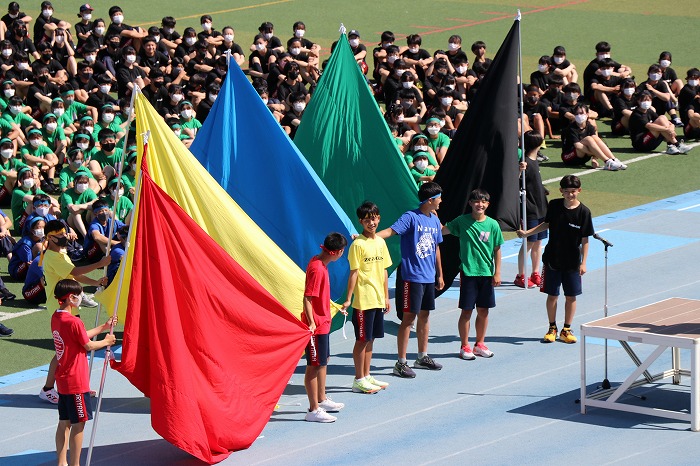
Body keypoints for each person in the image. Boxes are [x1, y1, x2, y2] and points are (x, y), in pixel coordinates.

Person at [39, 219, 110, 404]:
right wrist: (100, 263)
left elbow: (74, 275)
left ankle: (77, 386)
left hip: (69, 306)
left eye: (64, 233)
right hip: (60, 308)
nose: (64, 237)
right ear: (50, 238)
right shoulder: (53, 257)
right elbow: (76, 270)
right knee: (64, 351)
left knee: (73, 348)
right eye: (60, 235)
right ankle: (48, 389)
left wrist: (95, 282)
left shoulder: (61, 253)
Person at [516, 175, 594, 344]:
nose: (570, 195)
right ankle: (552, 328)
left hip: (572, 262)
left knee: (571, 296)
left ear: (579, 191)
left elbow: (585, 239)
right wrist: (528, 233)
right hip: (552, 260)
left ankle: (566, 329)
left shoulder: (584, 212)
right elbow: (547, 223)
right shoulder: (555, 205)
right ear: (561, 191)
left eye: (573, 192)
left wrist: (584, 262)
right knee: (552, 295)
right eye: (566, 192)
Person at [377, 182, 444, 378]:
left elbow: (436, 247)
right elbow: (390, 231)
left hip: (428, 277)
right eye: (439, 197)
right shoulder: (410, 217)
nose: (441, 201)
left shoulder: (434, 219)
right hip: (411, 277)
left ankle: (422, 356)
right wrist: (370, 237)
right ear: (430, 200)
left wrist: (440, 274)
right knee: (408, 320)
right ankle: (401, 362)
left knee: (425, 316)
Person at [51, 278, 116, 466]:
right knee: (79, 424)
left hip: (63, 379)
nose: (81, 298)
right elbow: (87, 344)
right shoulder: (74, 321)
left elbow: (79, 336)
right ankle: (75, 464)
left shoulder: (57, 317)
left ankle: (61, 462)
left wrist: (104, 326)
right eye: (79, 295)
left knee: (64, 422)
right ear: (71, 298)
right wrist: (106, 341)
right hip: (76, 381)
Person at [442, 189, 503, 360]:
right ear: (470, 203)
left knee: (483, 311)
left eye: (483, 202)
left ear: (488, 204)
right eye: (476, 201)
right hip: (468, 273)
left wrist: (497, 272)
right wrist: (431, 217)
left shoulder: (493, 225)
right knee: (467, 311)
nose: (480, 204)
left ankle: (480, 344)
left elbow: (497, 249)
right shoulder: (462, 221)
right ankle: (465, 346)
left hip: (487, 274)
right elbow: (443, 231)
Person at [342, 202, 392, 394]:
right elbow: (353, 273)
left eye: (374, 218)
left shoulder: (380, 242)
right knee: (362, 340)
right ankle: (358, 379)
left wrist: (386, 297)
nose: (372, 222)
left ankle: (367, 374)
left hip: (378, 299)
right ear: (361, 222)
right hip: (363, 300)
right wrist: (348, 299)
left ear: (379, 218)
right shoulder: (357, 245)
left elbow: (385, 271)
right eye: (367, 219)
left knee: (371, 340)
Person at [302, 232, 347, 423]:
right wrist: (311, 322)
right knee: (313, 366)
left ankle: (321, 397)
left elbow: (319, 295)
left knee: (323, 360)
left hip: (324, 323)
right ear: (337, 252)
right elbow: (307, 297)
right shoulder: (317, 269)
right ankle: (313, 410)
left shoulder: (320, 262)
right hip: (317, 327)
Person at [515, 131, 548, 288]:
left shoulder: (535, 161)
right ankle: (521, 275)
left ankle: (535, 272)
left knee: (538, 242)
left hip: (542, 206)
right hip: (530, 207)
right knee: (529, 242)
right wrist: (520, 170)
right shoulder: (525, 163)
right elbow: (513, 182)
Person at [561, 103, 625, 170]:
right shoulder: (571, 128)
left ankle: (614, 159)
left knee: (595, 138)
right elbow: (577, 146)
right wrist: (594, 153)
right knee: (588, 139)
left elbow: (596, 144)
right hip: (569, 157)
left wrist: (594, 159)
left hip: (583, 157)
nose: (579, 115)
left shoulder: (589, 126)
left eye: (582, 113)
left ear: (587, 114)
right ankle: (607, 161)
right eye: (577, 114)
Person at [629, 91, 691, 155]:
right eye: (644, 100)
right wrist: (667, 129)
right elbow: (649, 126)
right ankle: (677, 145)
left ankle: (671, 146)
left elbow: (662, 120)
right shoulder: (636, 114)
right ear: (638, 101)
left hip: (650, 139)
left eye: (649, 100)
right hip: (641, 143)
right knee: (661, 124)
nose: (647, 102)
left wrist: (671, 127)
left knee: (663, 117)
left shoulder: (649, 111)